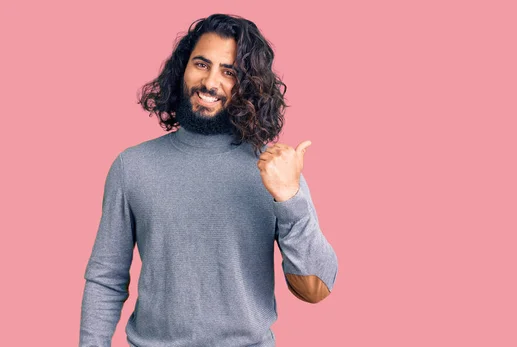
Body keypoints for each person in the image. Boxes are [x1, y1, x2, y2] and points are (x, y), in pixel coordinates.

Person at [79, 13, 338, 347]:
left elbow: (317, 287)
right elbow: (106, 279)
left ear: (248, 86)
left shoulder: (275, 170)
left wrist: (290, 199)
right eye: (202, 64)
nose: (211, 82)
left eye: (229, 72)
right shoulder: (132, 166)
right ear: (182, 69)